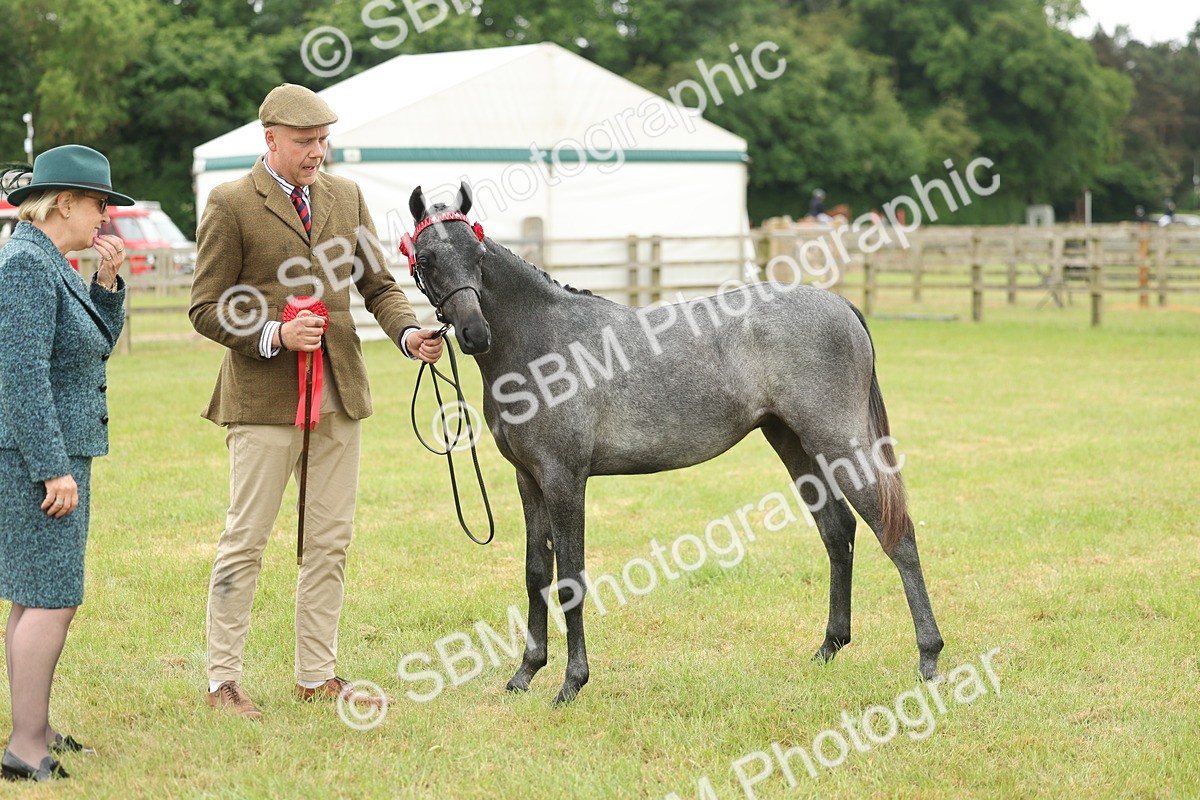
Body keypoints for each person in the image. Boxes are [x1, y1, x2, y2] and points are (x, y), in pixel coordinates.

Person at [189, 84, 445, 720]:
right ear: (271, 139)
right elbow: (204, 307)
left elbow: (378, 285)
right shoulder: (229, 203)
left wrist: (408, 334)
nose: (317, 152)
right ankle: (223, 682)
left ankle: (316, 674)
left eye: (324, 140)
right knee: (245, 541)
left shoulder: (346, 195)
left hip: (339, 394)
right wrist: (273, 334)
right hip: (262, 399)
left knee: (329, 541)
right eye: (305, 142)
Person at [0, 145, 130, 781]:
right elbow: (21, 374)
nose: (105, 216)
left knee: (35, 595)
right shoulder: (27, 264)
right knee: (51, 599)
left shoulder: (46, 259)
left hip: (49, 451)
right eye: (100, 203)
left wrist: (106, 285)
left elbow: (89, 348)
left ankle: (35, 726)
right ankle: (26, 748)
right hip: (40, 457)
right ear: (66, 202)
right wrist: (53, 467)